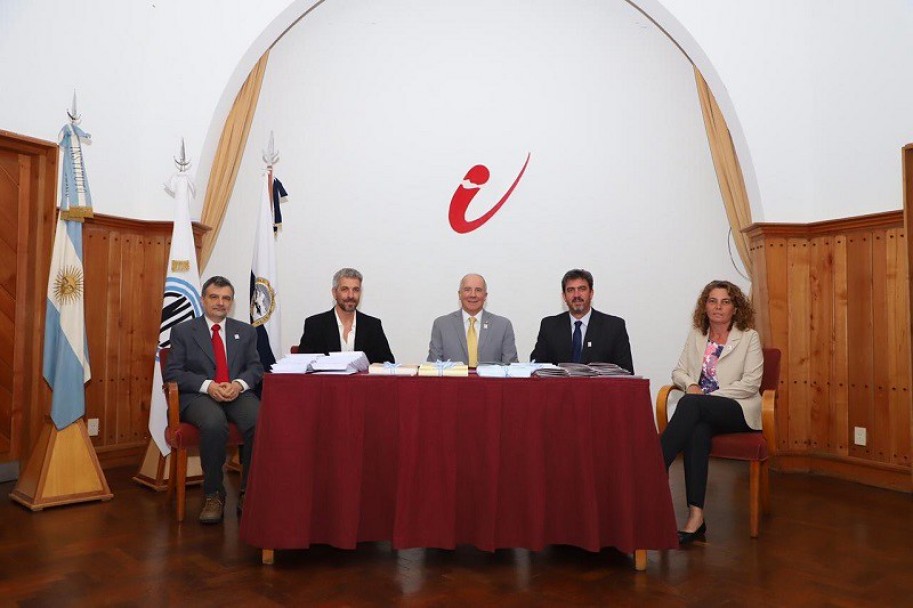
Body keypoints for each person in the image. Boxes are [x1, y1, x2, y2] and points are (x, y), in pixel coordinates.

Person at [660, 279, 763, 544]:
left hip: (736, 409)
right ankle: (696, 517)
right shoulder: (697, 335)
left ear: (735, 308)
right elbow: (679, 371)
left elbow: (751, 384)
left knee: (691, 405)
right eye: (712, 301)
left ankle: (654, 467)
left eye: (725, 301)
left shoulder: (748, 337)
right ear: (705, 306)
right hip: (702, 411)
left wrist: (707, 397)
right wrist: (691, 384)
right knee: (697, 430)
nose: (718, 307)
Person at [165, 276, 263, 524]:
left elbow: (255, 368)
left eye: (226, 298)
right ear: (203, 299)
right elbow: (173, 372)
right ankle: (213, 494)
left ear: (231, 302)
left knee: (260, 420)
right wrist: (208, 386)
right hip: (198, 395)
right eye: (214, 297)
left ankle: (249, 493)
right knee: (213, 423)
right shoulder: (183, 331)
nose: (220, 303)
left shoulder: (246, 331)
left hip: (236, 393)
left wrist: (238, 384)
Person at [529, 268, 634, 372]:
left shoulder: (614, 327)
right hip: (559, 388)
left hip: (599, 388)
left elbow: (626, 372)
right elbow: (536, 365)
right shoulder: (549, 326)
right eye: (570, 290)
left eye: (582, 289)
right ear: (564, 296)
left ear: (591, 293)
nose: (576, 295)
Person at [297, 268, 395, 363]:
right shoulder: (315, 325)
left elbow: (388, 364)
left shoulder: (373, 326)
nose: (351, 295)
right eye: (345, 289)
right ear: (334, 293)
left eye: (356, 290)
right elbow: (302, 366)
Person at [427, 273, 518, 365]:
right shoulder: (442, 325)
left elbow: (511, 368)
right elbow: (433, 368)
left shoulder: (502, 326)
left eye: (478, 290)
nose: (473, 295)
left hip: (490, 380)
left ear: (485, 296)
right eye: (467, 290)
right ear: (459, 294)